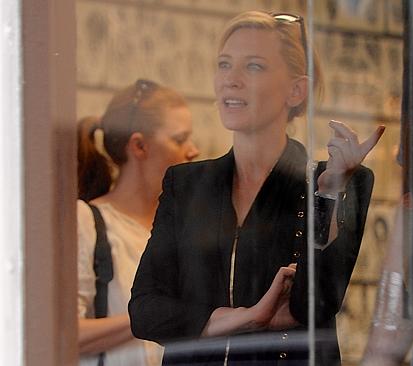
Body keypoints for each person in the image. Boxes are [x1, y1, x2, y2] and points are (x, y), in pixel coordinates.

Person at [128, 10, 385, 365]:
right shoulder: (185, 184)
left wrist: (330, 192)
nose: (230, 80)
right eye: (223, 64)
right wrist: (246, 317)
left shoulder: (336, 180)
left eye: (253, 67)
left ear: (296, 90)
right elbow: (145, 311)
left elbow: (315, 305)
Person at [77, 79, 200, 366]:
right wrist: (156, 315)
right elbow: (65, 332)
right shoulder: (89, 221)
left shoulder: (183, 227)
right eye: (180, 139)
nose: (193, 150)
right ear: (139, 146)